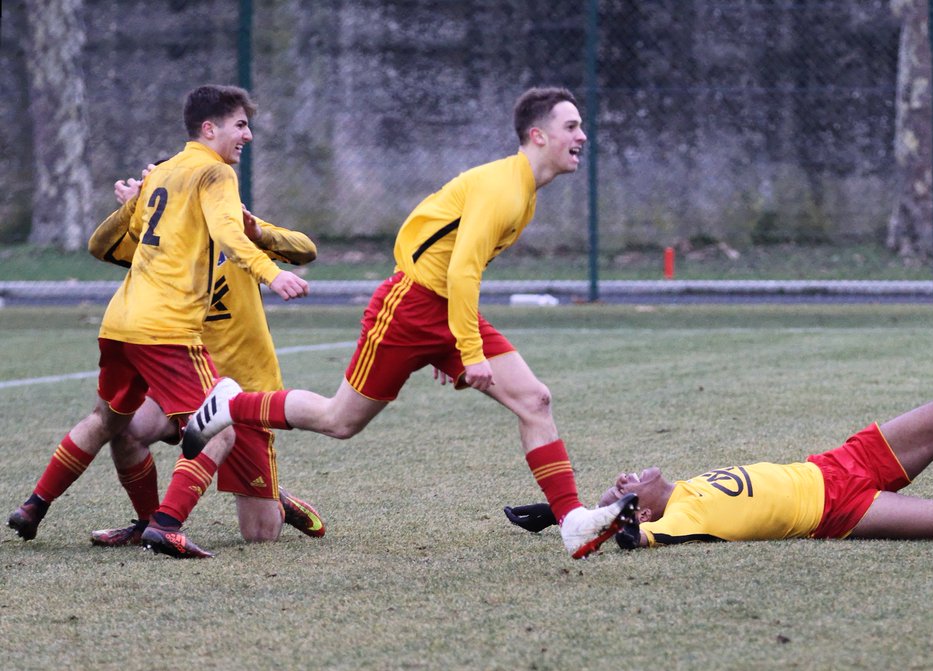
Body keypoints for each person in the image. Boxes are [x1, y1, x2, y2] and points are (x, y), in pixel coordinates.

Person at [180, 86, 634, 558]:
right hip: (409, 307)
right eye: (572, 126)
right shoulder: (504, 188)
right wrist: (469, 353)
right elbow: (461, 270)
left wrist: (453, 340)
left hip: (443, 308)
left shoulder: (522, 190)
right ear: (538, 136)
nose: (582, 135)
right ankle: (233, 405)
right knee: (340, 420)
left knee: (535, 399)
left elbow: (452, 264)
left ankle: (572, 521)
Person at [6, 84, 310, 558]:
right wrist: (271, 275)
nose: (248, 135)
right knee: (208, 430)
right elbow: (216, 234)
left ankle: (34, 506)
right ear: (209, 129)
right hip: (167, 336)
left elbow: (288, 244)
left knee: (258, 532)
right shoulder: (211, 178)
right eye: (241, 125)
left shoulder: (179, 182)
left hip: (149, 337)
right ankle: (160, 524)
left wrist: (257, 234)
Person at [503, 371, 933, 550]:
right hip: (842, 509)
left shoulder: (678, 488)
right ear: (640, 508)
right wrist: (598, 519)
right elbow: (629, 539)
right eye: (627, 486)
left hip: (836, 462)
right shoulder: (673, 520)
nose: (632, 475)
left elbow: (613, 519)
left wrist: (571, 510)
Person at [84, 163, 326, 548]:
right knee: (126, 431)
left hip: (243, 390)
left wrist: (259, 231)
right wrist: (131, 209)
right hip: (184, 376)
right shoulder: (161, 242)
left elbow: (306, 249)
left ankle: (276, 501)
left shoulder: (235, 232)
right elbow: (100, 247)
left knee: (260, 536)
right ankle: (148, 523)